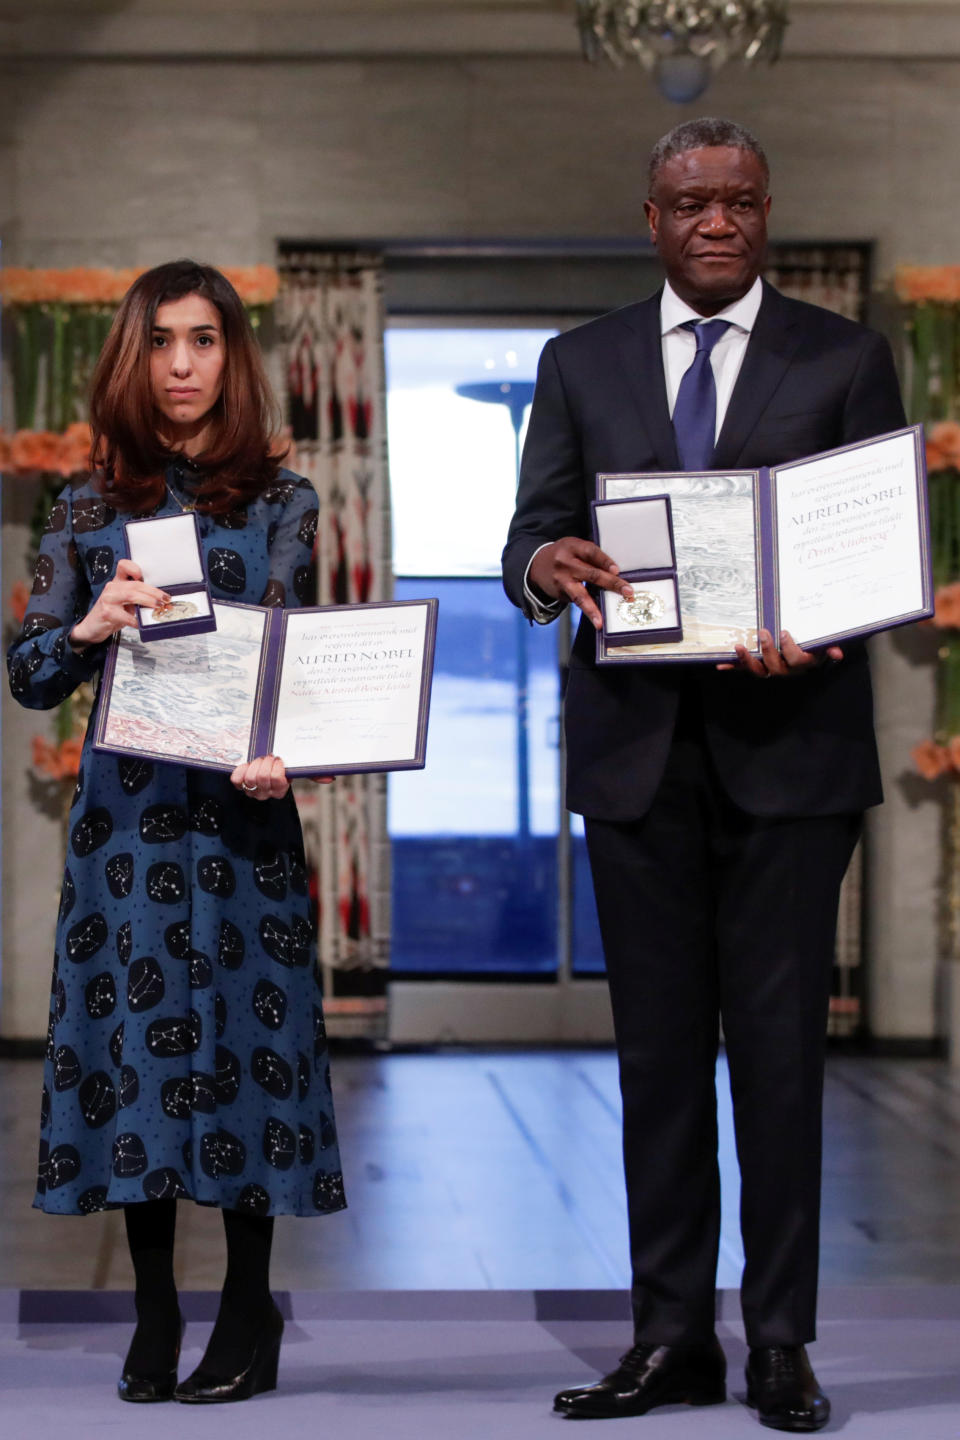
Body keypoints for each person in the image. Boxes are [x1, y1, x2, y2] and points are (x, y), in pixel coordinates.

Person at [502, 119, 905, 1433]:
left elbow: (874, 549)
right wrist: (542, 568)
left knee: (781, 1066)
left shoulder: (848, 358)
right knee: (658, 1067)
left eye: (738, 200)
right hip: (634, 763)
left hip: (795, 760)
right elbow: (531, 536)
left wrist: (827, 620)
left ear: (768, 210)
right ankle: (670, 1338)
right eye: (692, 202)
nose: (716, 220)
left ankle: (780, 1342)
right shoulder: (580, 361)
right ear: (652, 216)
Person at [8, 260, 345, 1404]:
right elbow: (28, 674)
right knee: (141, 1059)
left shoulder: (285, 502)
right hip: (131, 835)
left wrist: (286, 745)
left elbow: (301, 664)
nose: (185, 363)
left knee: (250, 1057)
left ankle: (249, 1312)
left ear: (232, 354)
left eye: (204, 340)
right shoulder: (88, 507)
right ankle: (154, 1311)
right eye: (161, 342)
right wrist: (94, 623)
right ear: (132, 357)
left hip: (244, 823)